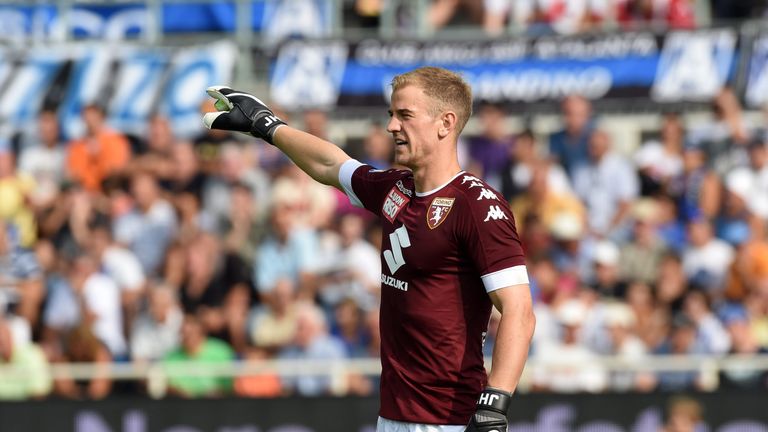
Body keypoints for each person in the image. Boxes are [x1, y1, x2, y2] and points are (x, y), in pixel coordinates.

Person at [203, 66, 535, 432]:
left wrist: (496, 401)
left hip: (449, 420)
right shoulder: (395, 189)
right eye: (392, 115)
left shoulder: (476, 204)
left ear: (446, 123)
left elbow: (518, 310)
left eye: (405, 115)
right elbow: (330, 164)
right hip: (392, 415)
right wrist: (267, 126)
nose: (392, 126)